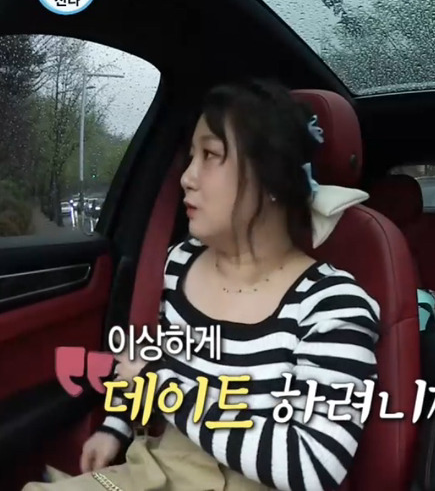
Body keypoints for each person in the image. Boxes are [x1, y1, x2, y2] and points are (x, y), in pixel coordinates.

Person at [25, 79, 380, 491]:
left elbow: (313, 465)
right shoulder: (178, 263)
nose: (187, 178)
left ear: (272, 178)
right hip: (156, 468)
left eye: (210, 155)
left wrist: (166, 392)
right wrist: (116, 426)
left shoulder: (332, 304)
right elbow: (147, 357)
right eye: (191, 156)